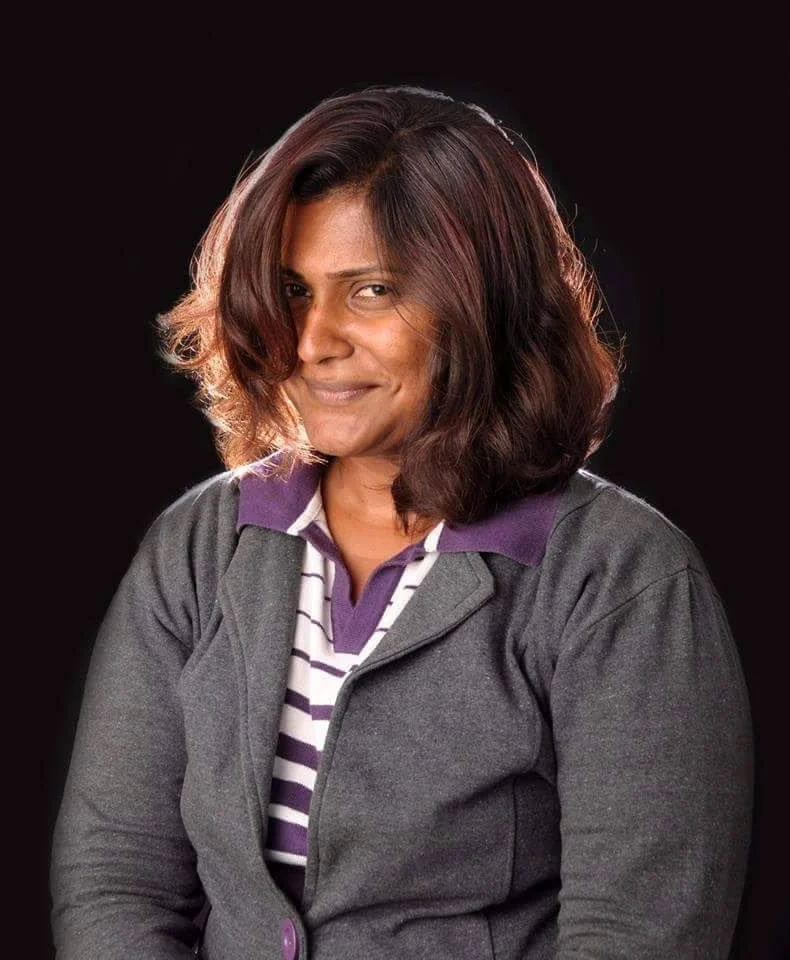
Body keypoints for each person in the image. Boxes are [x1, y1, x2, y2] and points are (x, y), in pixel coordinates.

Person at [50, 84, 753, 960]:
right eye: (291, 290)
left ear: (483, 305)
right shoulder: (200, 546)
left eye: (372, 290)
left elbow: (640, 936)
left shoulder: (622, 579)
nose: (312, 340)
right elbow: (118, 877)